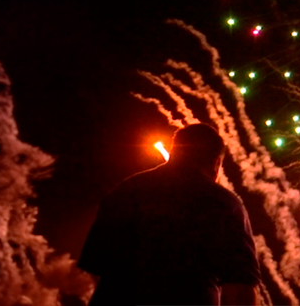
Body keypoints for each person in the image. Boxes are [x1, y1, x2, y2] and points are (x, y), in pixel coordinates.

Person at [79, 124, 259, 306]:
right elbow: (241, 286)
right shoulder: (225, 204)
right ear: (216, 163)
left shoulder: (126, 190)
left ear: (174, 152)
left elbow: (95, 264)